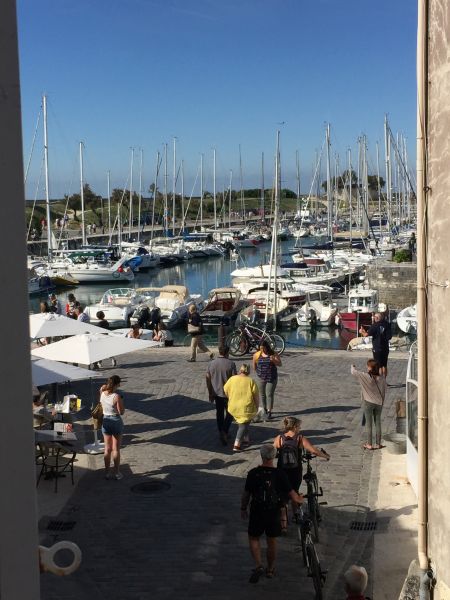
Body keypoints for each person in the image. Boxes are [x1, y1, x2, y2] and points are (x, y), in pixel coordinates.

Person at [240, 444, 303, 582]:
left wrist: (243, 508)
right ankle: (270, 568)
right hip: (274, 511)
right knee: (271, 541)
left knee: (254, 537)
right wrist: (300, 499)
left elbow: (246, 494)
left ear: (262, 456)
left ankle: (258, 565)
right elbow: (292, 493)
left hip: (257, 509)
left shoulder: (253, 473)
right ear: (274, 456)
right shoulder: (280, 474)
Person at [274, 416, 330, 532]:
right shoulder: (299, 438)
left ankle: (283, 525)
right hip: (295, 471)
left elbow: (272, 452)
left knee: (283, 496)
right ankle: (296, 515)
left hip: (282, 471)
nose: (300, 428)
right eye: (299, 426)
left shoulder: (279, 438)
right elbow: (313, 450)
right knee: (294, 490)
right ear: (294, 427)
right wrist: (325, 456)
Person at [351, 360, 386, 450]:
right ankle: (378, 443)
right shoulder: (381, 378)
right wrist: (381, 402)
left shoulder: (365, 376)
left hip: (368, 402)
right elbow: (384, 391)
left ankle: (369, 444)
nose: (367, 367)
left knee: (369, 424)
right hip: (379, 402)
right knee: (378, 423)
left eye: (368, 366)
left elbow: (353, 372)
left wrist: (353, 366)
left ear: (370, 368)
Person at [223, 364, 259, 452]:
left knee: (243, 422)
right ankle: (237, 445)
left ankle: (246, 439)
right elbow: (256, 396)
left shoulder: (232, 379)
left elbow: (225, 390)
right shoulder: (251, 381)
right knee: (243, 425)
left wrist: (230, 397)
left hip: (233, 406)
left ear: (240, 370)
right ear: (248, 371)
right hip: (245, 407)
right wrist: (257, 406)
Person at [206, 345, 237, 445]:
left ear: (219, 351)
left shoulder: (211, 363)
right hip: (228, 394)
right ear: (227, 352)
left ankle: (221, 431)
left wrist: (210, 392)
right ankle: (224, 431)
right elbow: (234, 380)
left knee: (219, 414)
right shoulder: (231, 364)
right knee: (230, 413)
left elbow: (207, 378)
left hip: (216, 393)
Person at [99, 375, 125, 480]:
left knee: (107, 448)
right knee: (116, 449)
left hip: (105, 420)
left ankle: (107, 473)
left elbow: (100, 401)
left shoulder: (102, 392)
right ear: (117, 384)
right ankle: (117, 473)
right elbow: (121, 412)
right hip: (115, 421)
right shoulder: (116, 396)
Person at [252, 340, 281, 420]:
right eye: (260, 348)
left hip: (272, 377)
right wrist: (260, 373)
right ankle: (264, 409)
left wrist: (273, 360)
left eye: (263, 348)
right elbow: (254, 366)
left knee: (269, 394)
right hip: (261, 377)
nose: (262, 350)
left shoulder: (273, 354)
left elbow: (280, 364)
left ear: (266, 347)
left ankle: (269, 411)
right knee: (262, 394)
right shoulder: (257, 355)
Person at [359, 312, 392, 376]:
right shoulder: (387, 324)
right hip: (385, 348)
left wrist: (362, 331)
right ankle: (384, 381)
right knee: (384, 365)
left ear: (377, 318)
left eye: (374, 317)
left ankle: (379, 381)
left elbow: (366, 335)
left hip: (377, 348)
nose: (374, 318)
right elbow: (389, 337)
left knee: (378, 366)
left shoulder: (374, 326)